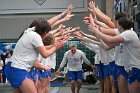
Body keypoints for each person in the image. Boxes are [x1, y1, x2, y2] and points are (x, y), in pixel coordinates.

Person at [4, 18, 65, 93]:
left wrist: (62, 16)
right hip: (18, 69)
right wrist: (56, 47)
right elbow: (45, 54)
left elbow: (45, 25)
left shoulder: (28, 31)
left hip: (13, 68)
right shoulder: (36, 36)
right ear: (45, 32)